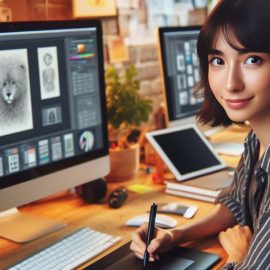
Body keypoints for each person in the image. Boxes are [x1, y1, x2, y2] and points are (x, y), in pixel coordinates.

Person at [130, 0, 270, 269]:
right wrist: (175, 235)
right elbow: (236, 204)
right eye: (218, 61)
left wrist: (240, 257)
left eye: (252, 60)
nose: (231, 83)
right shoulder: (256, 140)